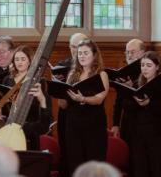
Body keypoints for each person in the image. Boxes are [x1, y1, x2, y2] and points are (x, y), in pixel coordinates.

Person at [59, 39, 109, 175]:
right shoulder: (72, 74)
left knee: (93, 165)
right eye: (79, 53)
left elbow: (99, 99)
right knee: (75, 163)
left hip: (93, 125)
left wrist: (83, 99)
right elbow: (63, 104)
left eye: (85, 53)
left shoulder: (101, 74)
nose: (81, 56)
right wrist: (58, 90)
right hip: (73, 125)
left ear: (94, 55)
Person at [123, 51, 161, 177]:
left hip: (158, 135)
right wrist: (136, 101)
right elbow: (126, 105)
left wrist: (149, 103)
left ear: (157, 67)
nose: (144, 69)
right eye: (142, 65)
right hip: (138, 135)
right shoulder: (136, 83)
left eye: (148, 65)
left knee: (157, 169)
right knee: (140, 169)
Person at [2, 45, 52, 149]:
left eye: (23, 59)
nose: (19, 62)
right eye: (17, 59)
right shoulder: (7, 80)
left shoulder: (39, 81)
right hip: (10, 129)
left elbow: (44, 109)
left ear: (30, 61)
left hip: (30, 130)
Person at [54, 32, 88, 177]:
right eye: (72, 47)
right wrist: (56, 80)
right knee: (67, 153)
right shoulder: (62, 66)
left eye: (79, 47)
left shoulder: (92, 67)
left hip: (86, 116)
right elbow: (60, 101)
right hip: (66, 114)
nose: (75, 50)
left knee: (84, 155)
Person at [111, 38, 145, 144]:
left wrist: (132, 88)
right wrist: (115, 124)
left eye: (133, 52)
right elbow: (118, 101)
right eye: (127, 52)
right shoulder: (124, 72)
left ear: (142, 53)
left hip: (143, 122)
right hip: (127, 122)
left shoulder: (148, 72)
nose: (129, 55)